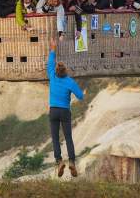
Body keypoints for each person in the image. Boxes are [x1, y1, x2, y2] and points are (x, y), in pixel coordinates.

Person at [47, 37, 84, 177]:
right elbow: (80, 96)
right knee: (68, 137)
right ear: (65, 70)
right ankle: (72, 162)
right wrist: (72, 90)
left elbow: (50, 62)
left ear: (56, 70)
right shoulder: (69, 81)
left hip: (53, 111)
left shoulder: (52, 76)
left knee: (55, 138)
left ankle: (59, 161)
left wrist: (53, 48)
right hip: (65, 111)